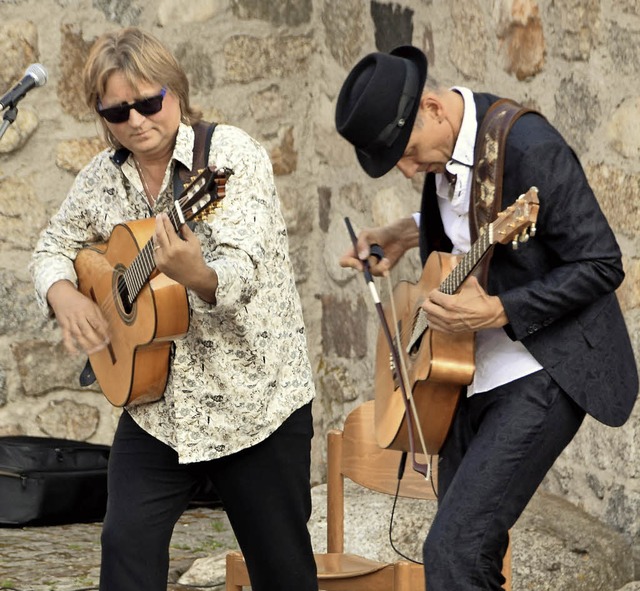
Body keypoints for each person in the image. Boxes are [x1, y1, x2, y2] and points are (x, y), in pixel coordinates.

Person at [335, 45, 638, 590]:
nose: (408, 170)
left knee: (451, 551)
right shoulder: (446, 146)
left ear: (432, 107)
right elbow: (468, 219)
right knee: (470, 559)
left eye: (406, 153)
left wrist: (499, 309)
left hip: (540, 370)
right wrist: (404, 234)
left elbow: (601, 263)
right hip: (464, 380)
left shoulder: (531, 148)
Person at [30, 27, 318, 591]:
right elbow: (50, 247)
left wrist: (198, 275)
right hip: (156, 407)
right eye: (117, 112)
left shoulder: (230, 158)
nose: (136, 120)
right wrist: (63, 294)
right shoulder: (101, 178)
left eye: (147, 102)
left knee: (282, 572)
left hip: (254, 405)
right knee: (125, 550)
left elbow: (245, 269)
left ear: (176, 92)